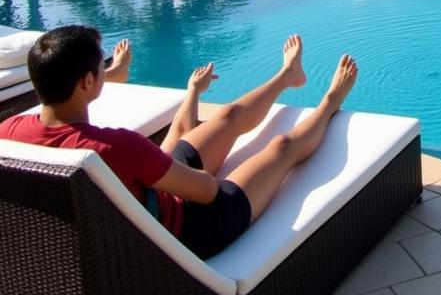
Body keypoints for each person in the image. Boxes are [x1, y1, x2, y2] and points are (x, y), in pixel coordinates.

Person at [0, 26, 358, 259]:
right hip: (192, 229)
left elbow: (142, 168)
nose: (106, 73)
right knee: (280, 149)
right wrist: (178, 165)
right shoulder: (114, 147)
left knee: (229, 116)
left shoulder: (8, 132)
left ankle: (286, 76)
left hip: (146, 195)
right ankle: (331, 102)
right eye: (102, 68)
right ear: (86, 83)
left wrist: (163, 159)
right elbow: (206, 191)